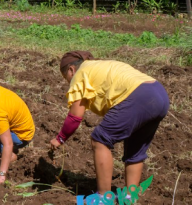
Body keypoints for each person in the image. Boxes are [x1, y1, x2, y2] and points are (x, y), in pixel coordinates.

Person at [49, 51, 169, 198]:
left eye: (66, 78)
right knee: (135, 149)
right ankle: (129, 197)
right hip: (159, 94)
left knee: (100, 139)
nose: (68, 83)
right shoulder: (99, 66)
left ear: (71, 70)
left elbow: (75, 117)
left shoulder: (80, 73)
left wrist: (60, 138)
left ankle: (103, 197)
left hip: (139, 96)